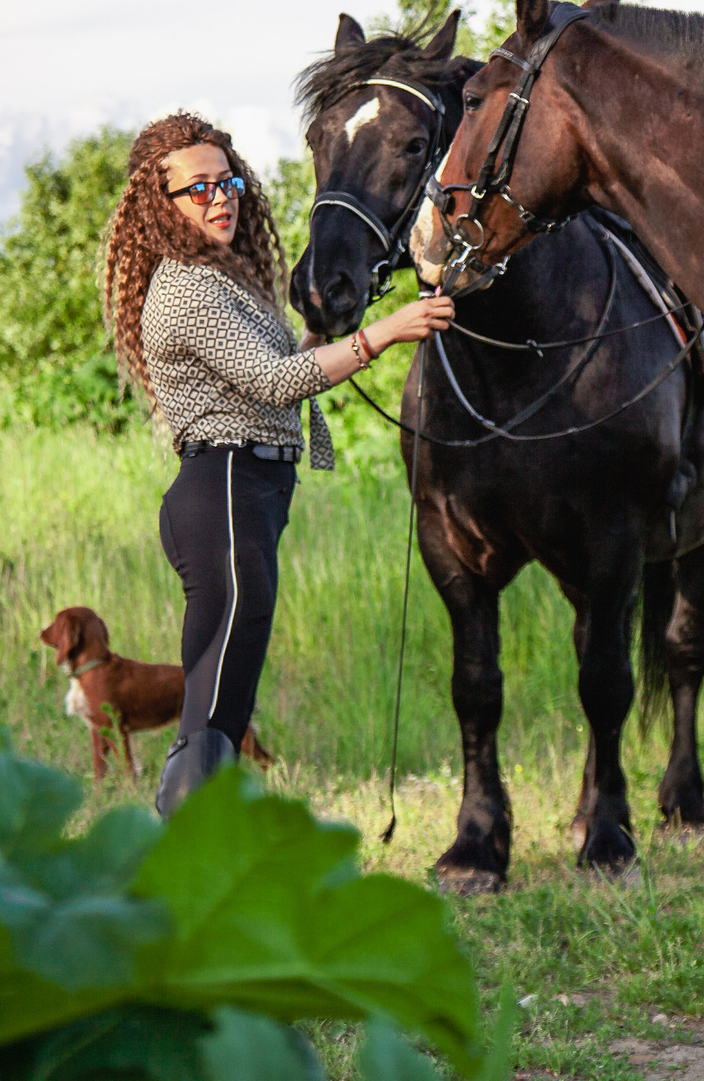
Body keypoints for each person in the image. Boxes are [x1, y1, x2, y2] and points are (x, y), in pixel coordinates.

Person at [99, 111, 453, 814]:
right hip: (224, 491)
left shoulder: (225, 279)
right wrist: (386, 334)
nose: (220, 196)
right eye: (196, 188)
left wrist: (334, 324)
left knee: (223, 711)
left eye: (226, 179)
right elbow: (274, 383)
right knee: (209, 715)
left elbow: (286, 363)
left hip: (244, 495)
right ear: (158, 204)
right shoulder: (186, 288)